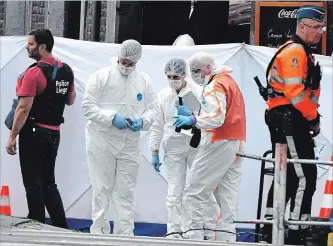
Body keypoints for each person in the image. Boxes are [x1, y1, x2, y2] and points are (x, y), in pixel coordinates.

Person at [260, 5, 326, 245]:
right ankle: (297, 233)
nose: (320, 32)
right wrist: (314, 120)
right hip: (290, 120)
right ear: (301, 26)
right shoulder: (295, 52)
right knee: (306, 176)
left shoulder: (299, 51)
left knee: (288, 176)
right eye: (316, 27)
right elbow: (296, 94)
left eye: (322, 27)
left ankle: (270, 231)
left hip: (288, 119)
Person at [82, 39, 159, 236]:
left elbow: (153, 109)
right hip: (101, 140)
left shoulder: (143, 81)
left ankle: (125, 233)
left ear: (137, 62)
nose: (125, 67)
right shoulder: (101, 77)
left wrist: (142, 121)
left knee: (126, 191)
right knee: (102, 187)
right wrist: (111, 118)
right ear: (118, 57)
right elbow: (88, 107)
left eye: (130, 64)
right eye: (123, 62)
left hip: (129, 143)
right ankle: (99, 231)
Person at [5, 29, 76, 229]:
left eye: (31, 44)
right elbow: (70, 101)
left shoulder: (34, 73)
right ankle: (61, 226)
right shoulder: (67, 70)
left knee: (33, 182)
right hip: (54, 133)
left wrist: (12, 137)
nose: (27, 47)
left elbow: (23, 108)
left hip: (33, 133)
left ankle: (36, 224)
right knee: (49, 181)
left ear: (42, 47)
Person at [173, 52, 246, 242]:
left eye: (196, 71)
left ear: (207, 68)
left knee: (194, 192)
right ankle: (226, 241)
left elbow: (217, 117)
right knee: (227, 200)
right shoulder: (229, 82)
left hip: (218, 142)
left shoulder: (216, 85)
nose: (195, 76)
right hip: (236, 143)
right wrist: (197, 112)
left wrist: (193, 119)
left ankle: (193, 239)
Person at [148, 58, 218, 239]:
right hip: (173, 146)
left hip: (196, 145)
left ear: (184, 75)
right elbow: (157, 125)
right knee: (174, 191)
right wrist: (154, 152)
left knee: (199, 189)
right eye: (169, 76)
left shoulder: (197, 92)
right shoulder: (163, 96)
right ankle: (174, 230)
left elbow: (208, 118)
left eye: (176, 76)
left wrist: (193, 116)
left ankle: (208, 230)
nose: (172, 79)